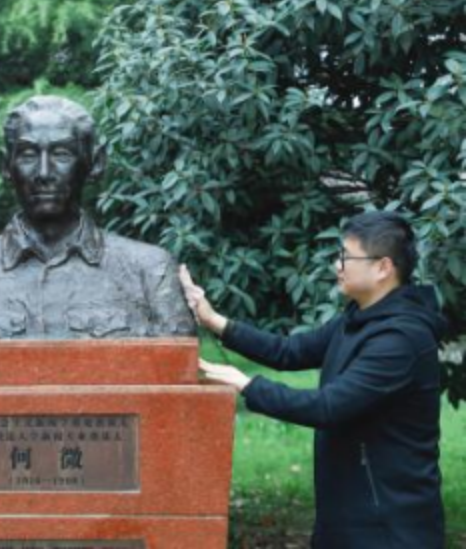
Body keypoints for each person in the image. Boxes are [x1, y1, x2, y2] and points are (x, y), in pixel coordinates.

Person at [179, 211, 446, 548]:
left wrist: (247, 385)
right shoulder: (358, 319)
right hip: (348, 515)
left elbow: (328, 407)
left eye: (346, 257)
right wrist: (213, 320)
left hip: (388, 527)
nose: (337, 265)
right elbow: (289, 351)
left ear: (383, 268)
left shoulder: (401, 340)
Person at [0, 95, 194, 339]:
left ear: (95, 164)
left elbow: (177, 375)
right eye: (28, 155)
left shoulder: (149, 271)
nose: (43, 173)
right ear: (6, 166)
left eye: (62, 154)